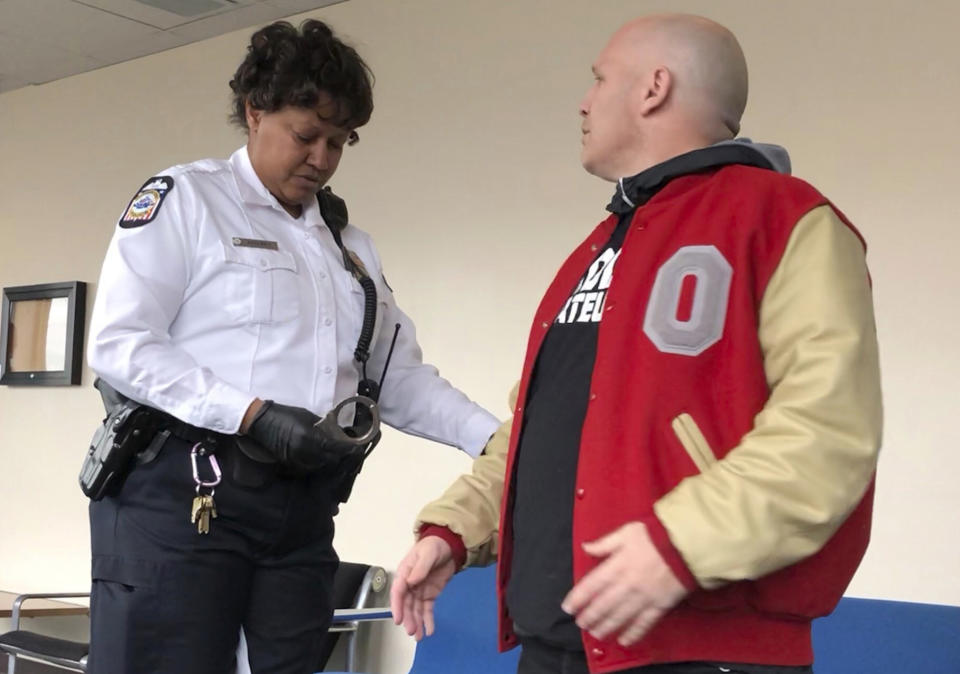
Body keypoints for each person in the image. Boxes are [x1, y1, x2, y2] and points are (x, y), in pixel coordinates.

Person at [391, 13, 882, 674]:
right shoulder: (593, 252)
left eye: (599, 80)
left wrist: (682, 540)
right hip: (555, 648)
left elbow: (827, 431)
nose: (584, 101)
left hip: (704, 654)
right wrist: (454, 531)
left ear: (653, 88)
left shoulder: (788, 221)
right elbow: (535, 434)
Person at [84, 19, 499, 674]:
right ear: (255, 111)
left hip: (299, 513)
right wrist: (253, 415)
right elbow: (119, 344)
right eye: (307, 136)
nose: (323, 158)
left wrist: (501, 441)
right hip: (186, 501)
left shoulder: (348, 246)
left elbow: (397, 377)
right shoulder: (189, 201)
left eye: (340, 142)